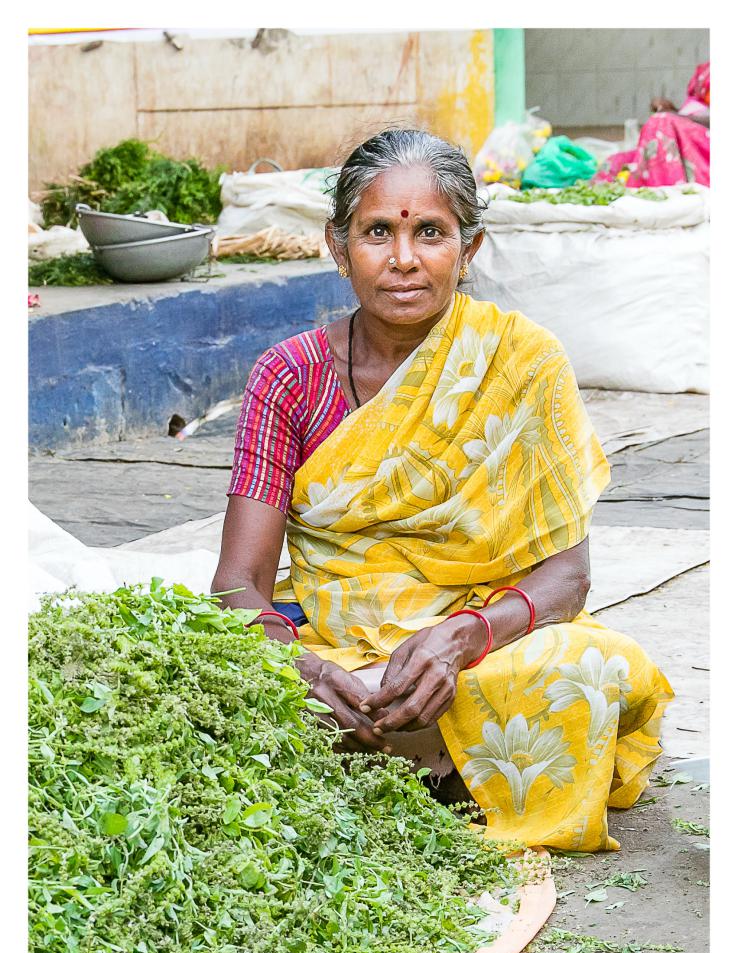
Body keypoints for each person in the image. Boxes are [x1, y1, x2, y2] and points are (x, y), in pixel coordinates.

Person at [212, 129, 672, 852]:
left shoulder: (524, 361)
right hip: (342, 653)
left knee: (588, 670)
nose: (403, 259)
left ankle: (388, 763)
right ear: (338, 248)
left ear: (469, 250)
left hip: (483, 648)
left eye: (430, 232)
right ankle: (437, 767)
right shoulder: (290, 376)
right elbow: (237, 584)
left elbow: (567, 577)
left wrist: (463, 639)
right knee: (222, 686)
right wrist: (295, 666)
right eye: (376, 233)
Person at [595, 60, 710, 187]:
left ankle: (663, 186)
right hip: (687, 142)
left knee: (661, 122)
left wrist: (674, 115)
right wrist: (673, 109)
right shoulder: (700, 89)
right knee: (616, 162)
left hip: (702, 152)